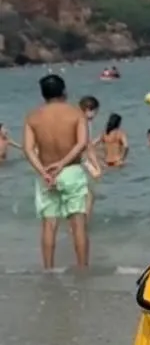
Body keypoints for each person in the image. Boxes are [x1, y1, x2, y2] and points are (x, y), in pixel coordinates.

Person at [23, 74, 92, 269]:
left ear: (43, 94)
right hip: (71, 170)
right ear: (64, 91)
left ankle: (48, 270)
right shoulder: (76, 114)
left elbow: (28, 149)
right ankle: (82, 269)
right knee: (78, 223)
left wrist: (43, 172)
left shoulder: (33, 117)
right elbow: (82, 143)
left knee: (49, 224)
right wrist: (62, 164)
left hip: (46, 173)